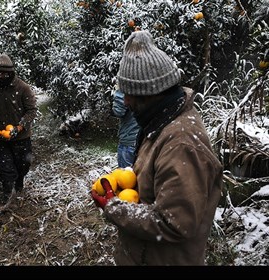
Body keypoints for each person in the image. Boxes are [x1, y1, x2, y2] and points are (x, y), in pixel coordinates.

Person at [91, 31, 223, 265]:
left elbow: (175, 222)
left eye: (131, 95)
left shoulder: (181, 143)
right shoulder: (161, 123)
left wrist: (115, 207)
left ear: (151, 93)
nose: (127, 102)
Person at [0, 53, 37, 209]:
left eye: (4, 73)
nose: (1, 76)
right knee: (5, 167)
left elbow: (31, 111)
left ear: (11, 73)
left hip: (21, 137)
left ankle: (19, 181)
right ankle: (8, 194)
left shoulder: (22, 88)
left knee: (23, 164)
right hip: (1, 136)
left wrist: (19, 127)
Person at [111, 85, 140, 168]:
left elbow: (118, 111)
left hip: (129, 139)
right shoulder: (148, 82)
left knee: (126, 177)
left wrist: (117, 92)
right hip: (143, 139)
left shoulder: (126, 85)